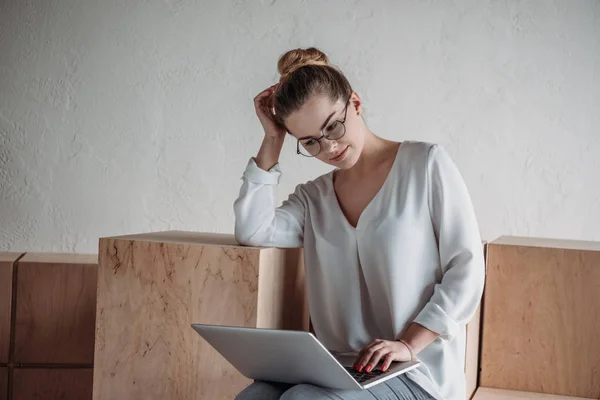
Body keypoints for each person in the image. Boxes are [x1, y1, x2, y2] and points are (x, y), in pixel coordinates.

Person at [233, 47, 486, 400]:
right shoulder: (313, 198)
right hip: (337, 367)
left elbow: (467, 270)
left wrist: (409, 344)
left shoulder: (425, 165)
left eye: (333, 126)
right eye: (310, 142)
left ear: (355, 102)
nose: (330, 147)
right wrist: (273, 140)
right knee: (254, 397)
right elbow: (253, 230)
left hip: (416, 370)